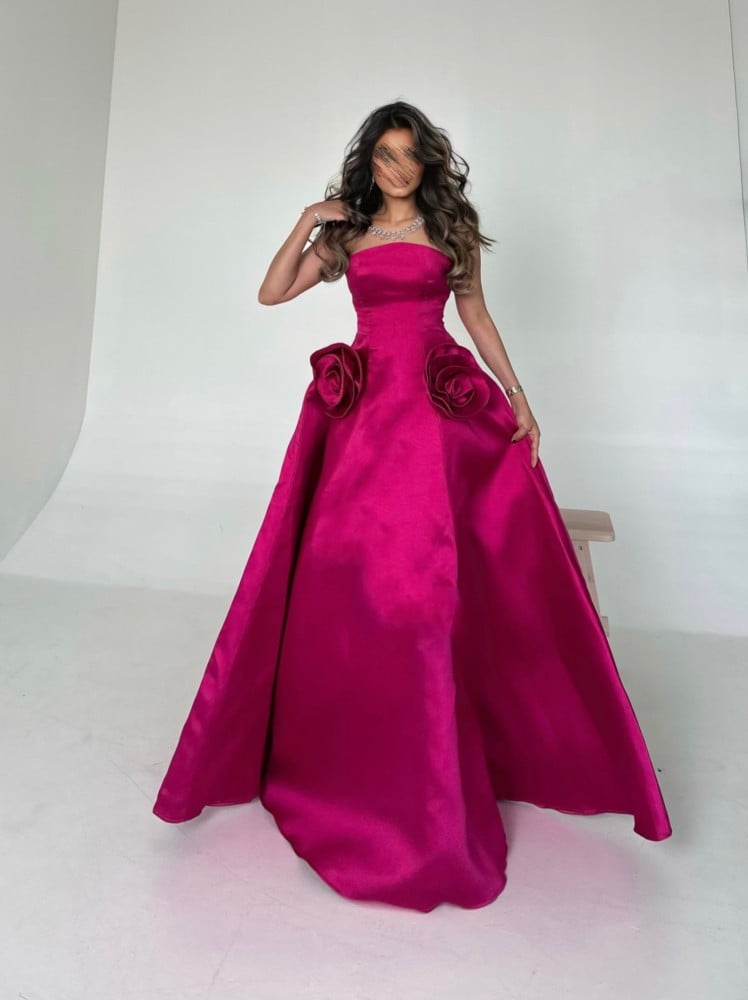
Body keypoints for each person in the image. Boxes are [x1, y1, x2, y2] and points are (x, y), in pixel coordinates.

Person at [152, 100, 672, 912]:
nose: (396, 168)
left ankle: (455, 751)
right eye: (384, 156)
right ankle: (354, 749)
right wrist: (308, 220)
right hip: (365, 416)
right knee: (352, 577)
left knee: (442, 579)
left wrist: (518, 393)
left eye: (409, 155)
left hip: (433, 412)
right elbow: (270, 292)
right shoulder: (349, 235)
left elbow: (475, 314)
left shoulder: (450, 231)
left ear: (428, 163)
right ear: (370, 162)